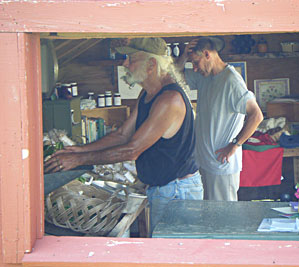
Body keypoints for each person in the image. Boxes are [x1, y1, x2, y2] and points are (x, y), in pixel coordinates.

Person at [44, 37, 203, 233]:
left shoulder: (169, 100)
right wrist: (79, 149)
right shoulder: (148, 94)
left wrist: (78, 159)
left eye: (131, 58)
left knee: (175, 256)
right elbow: (121, 135)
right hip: (164, 188)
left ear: (152, 64)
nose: (125, 63)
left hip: (177, 191)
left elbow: (132, 149)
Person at [177, 37, 264, 201]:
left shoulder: (231, 80)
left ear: (207, 54)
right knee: (209, 219)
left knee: (225, 220)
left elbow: (257, 115)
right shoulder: (205, 76)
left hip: (222, 165)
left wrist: (235, 145)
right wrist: (184, 56)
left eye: (196, 62)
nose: (194, 69)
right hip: (204, 162)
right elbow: (175, 76)